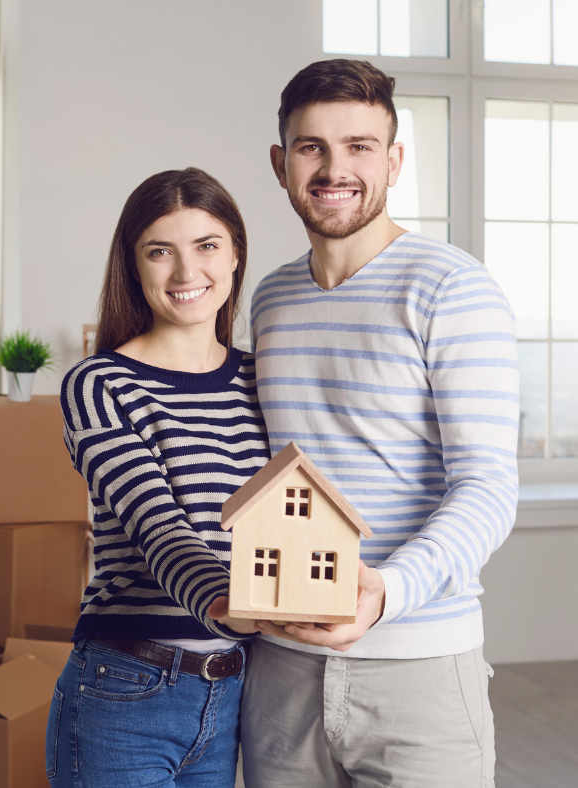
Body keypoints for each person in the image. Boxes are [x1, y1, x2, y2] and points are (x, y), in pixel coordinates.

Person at [240, 59, 518, 788]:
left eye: (360, 146)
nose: (335, 168)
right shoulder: (269, 300)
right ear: (281, 163)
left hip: (419, 668)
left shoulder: (452, 287)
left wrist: (387, 591)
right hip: (281, 674)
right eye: (312, 147)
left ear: (394, 161)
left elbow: (488, 487)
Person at [46, 167, 269, 788]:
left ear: (235, 256)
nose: (185, 272)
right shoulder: (98, 385)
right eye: (160, 251)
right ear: (133, 265)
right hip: (125, 688)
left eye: (206, 246)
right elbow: (160, 530)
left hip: (233, 689)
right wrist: (234, 606)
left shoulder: (264, 380)